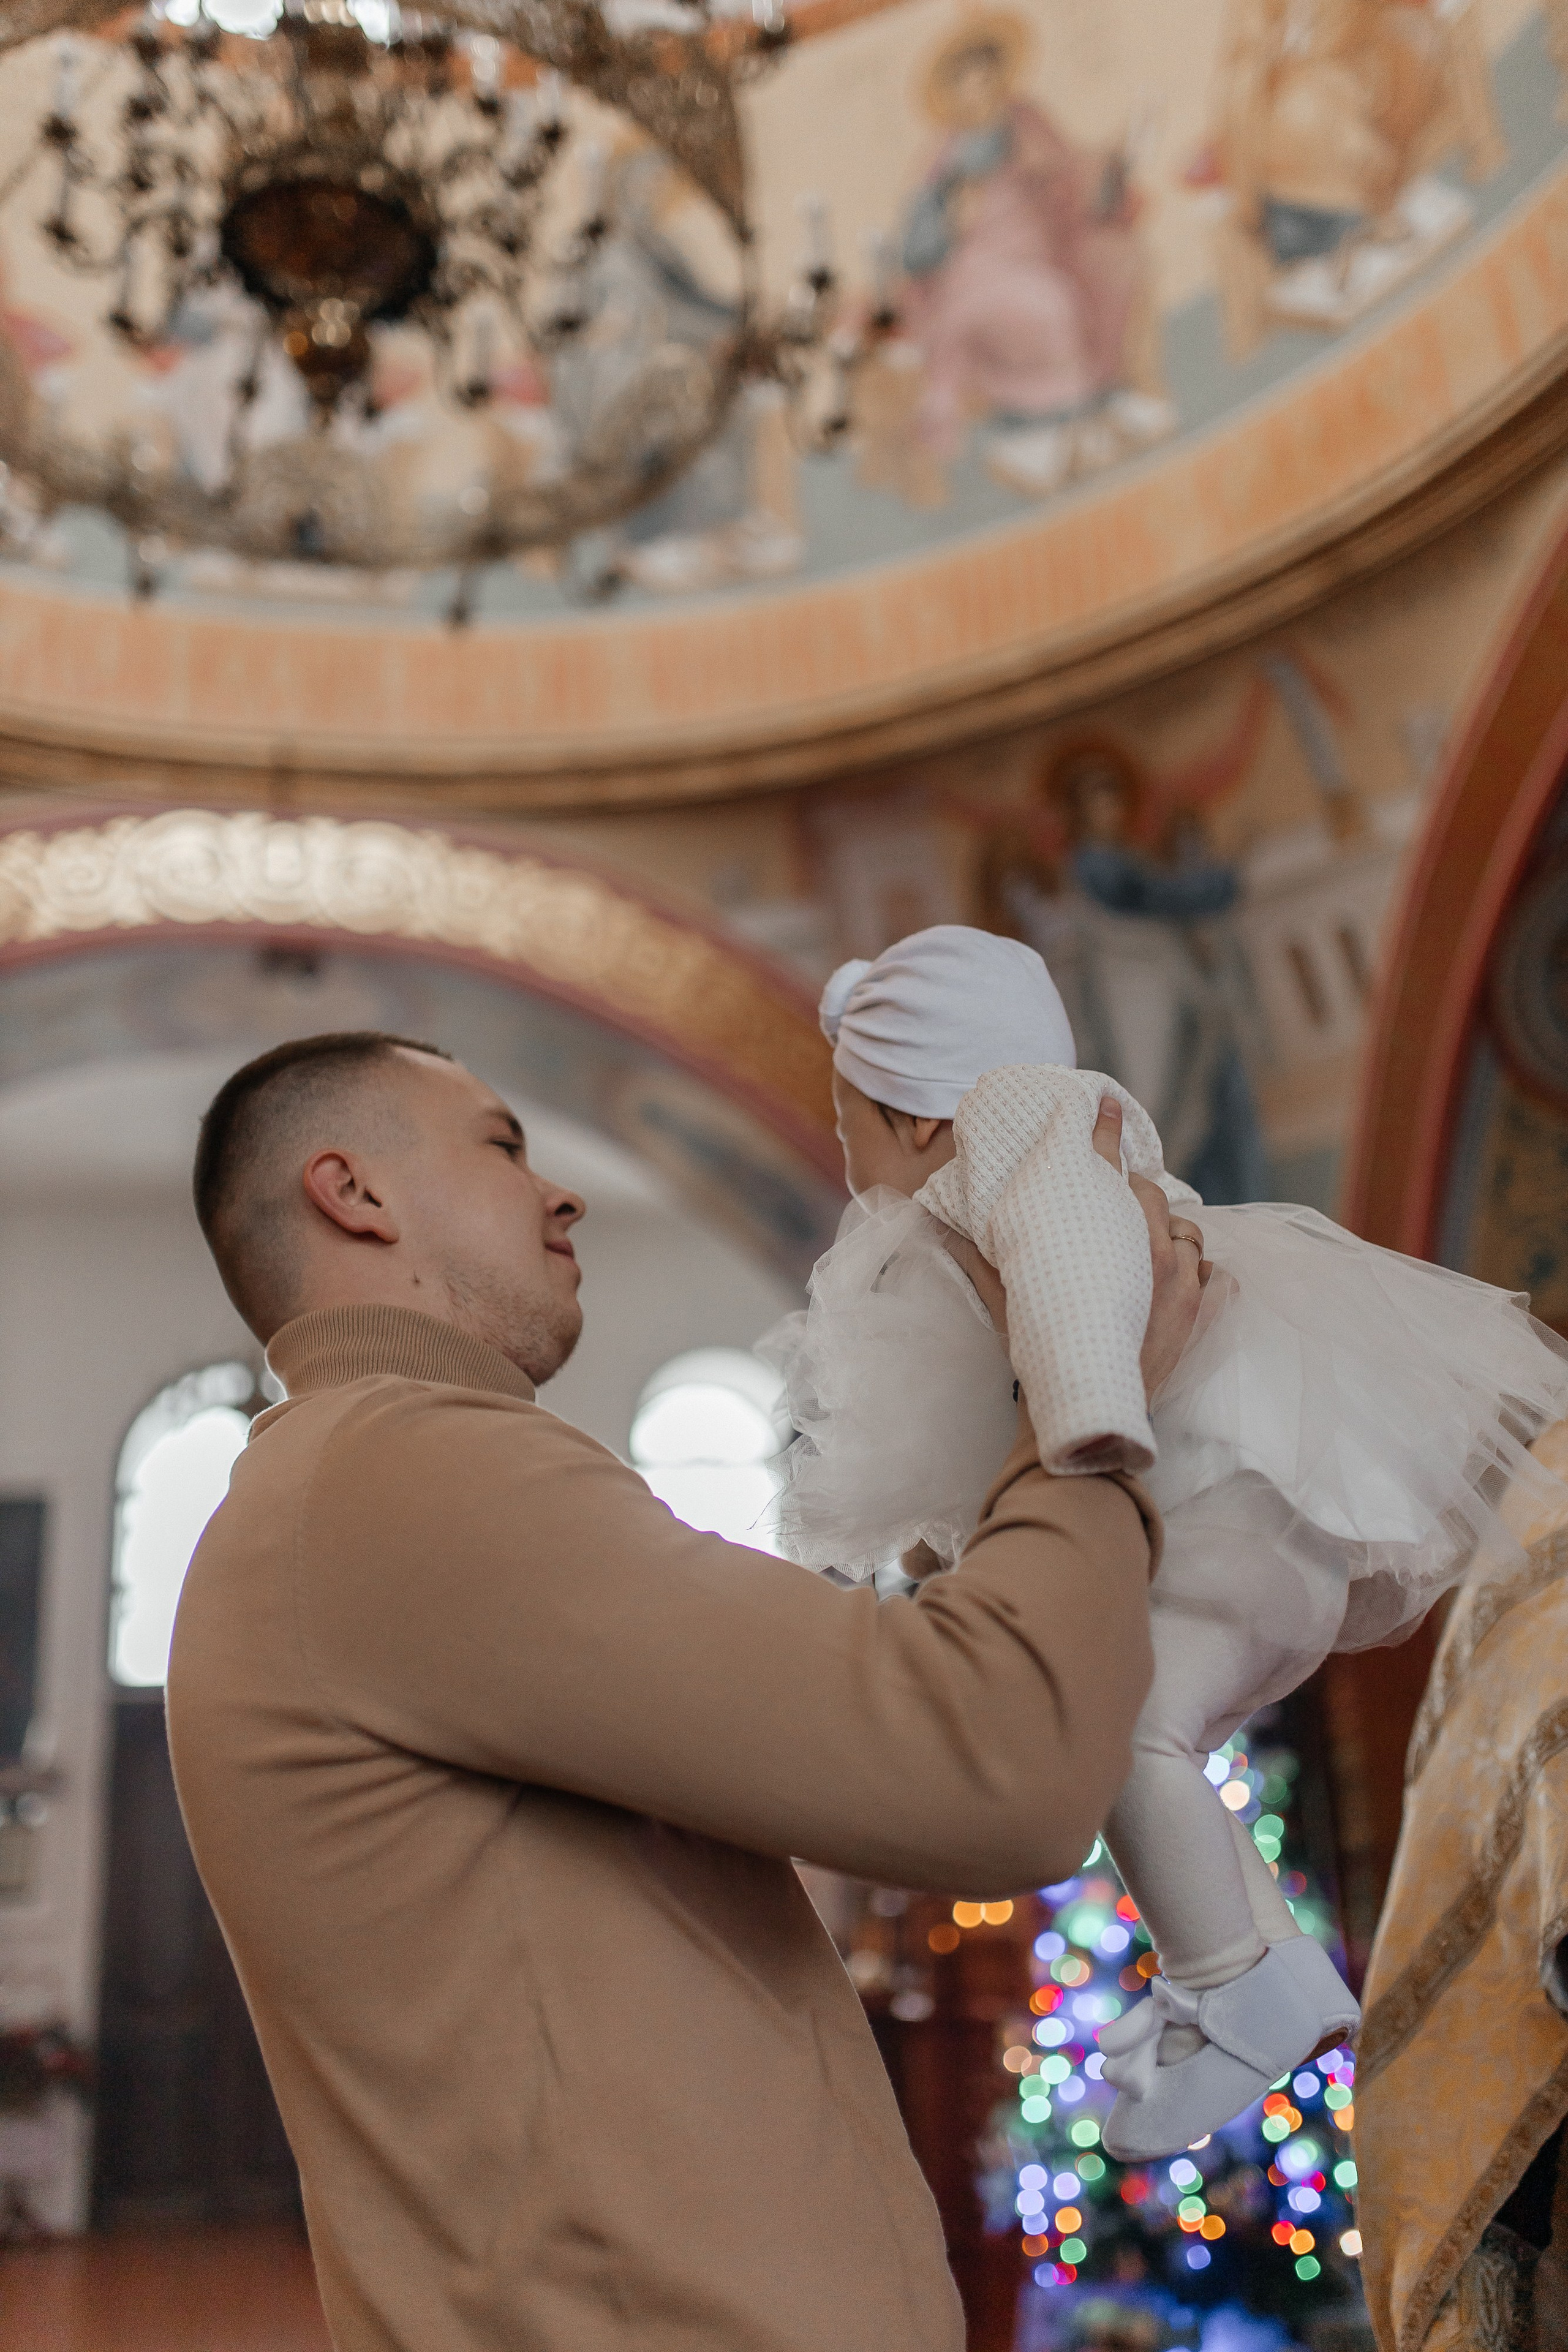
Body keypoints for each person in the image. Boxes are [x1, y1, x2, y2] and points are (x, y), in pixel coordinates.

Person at [167, 1027, 1206, 2352]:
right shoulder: (406, 1474)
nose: (562, 1191)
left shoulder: (359, 1483)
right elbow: (992, 1759)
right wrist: (1085, 1394)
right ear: (354, 1193)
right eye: (501, 1144)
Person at [766, 926, 1568, 2160]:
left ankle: (1234, 1980)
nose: (847, 1160)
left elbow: (1076, 1260)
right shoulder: (1019, 1143)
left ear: (916, 1117)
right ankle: (1245, 1979)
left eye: (849, 1127)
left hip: (1210, 1501)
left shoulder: (1024, 1127)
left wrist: (1089, 1410)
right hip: (1242, 1525)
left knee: (1111, 1731)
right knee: (1147, 1740)